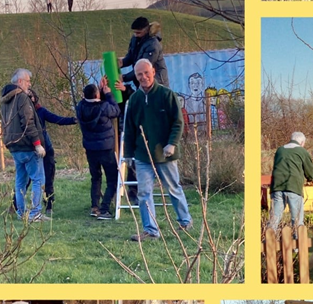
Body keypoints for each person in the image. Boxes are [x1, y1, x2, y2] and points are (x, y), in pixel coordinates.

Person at [122, 59, 192, 242]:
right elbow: (129, 128)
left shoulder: (167, 95)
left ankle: (185, 221)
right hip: (142, 155)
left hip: (165, 153)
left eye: (146, 73)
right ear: (136, 77)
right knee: (144, 192)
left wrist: (172, 143)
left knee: (173, 188)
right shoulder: (134, 100)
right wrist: (128, 154)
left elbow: (178, 122)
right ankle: (151, 230)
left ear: (153, 72)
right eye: (139, 75)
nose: (143, 77)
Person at [0, 68, 48, 222]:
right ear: (20, 82)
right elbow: (28, 122)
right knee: (38, 179)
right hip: (27, 145)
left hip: (14, 146)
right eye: (27, 81)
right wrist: (38, 144)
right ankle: (35, 214)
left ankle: (22, 213)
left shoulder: (5, 101)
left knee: (20, 181)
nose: (29, 84)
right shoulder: (21, 98)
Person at [76, 78, 120, 219]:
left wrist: (100, 91)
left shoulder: (80, 107)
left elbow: (90, 101)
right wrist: (108, 95)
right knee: (112, 179)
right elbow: (116, 111)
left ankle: (94, 206)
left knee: (96, 177)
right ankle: (105, 208)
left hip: (90, 149)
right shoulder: (104, 107)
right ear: (97, 96)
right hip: (106, 148)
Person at [29, 87, 77, 214]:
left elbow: (57, 119)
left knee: (48, 176)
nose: (30, 98)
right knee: (27, 178)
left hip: (46, 147)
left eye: (31, 96)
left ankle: (49, 204)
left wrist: (73, 120)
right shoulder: (21, 113)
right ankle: (18, 205)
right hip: (29, 149)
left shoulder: (41, 111)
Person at [268, 132, 313, 232]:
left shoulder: (280, 150)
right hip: (293, 187)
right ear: (302, 142)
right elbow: (309, 169)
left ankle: (268, 243)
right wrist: (311, 179)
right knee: (297, 220)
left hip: (277, 187)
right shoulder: (302, 151)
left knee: (274, 218)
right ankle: (297, 246)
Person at [119, 16, 169, 88]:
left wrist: (124, 78)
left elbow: (143, 67)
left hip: (157, 82)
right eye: (134, 32)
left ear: (146, 30)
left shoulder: (153, 44)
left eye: (138, 33)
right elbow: (131, 56)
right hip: (143, 81)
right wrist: (122, 62)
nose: (136, 35)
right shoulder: (135, 39)